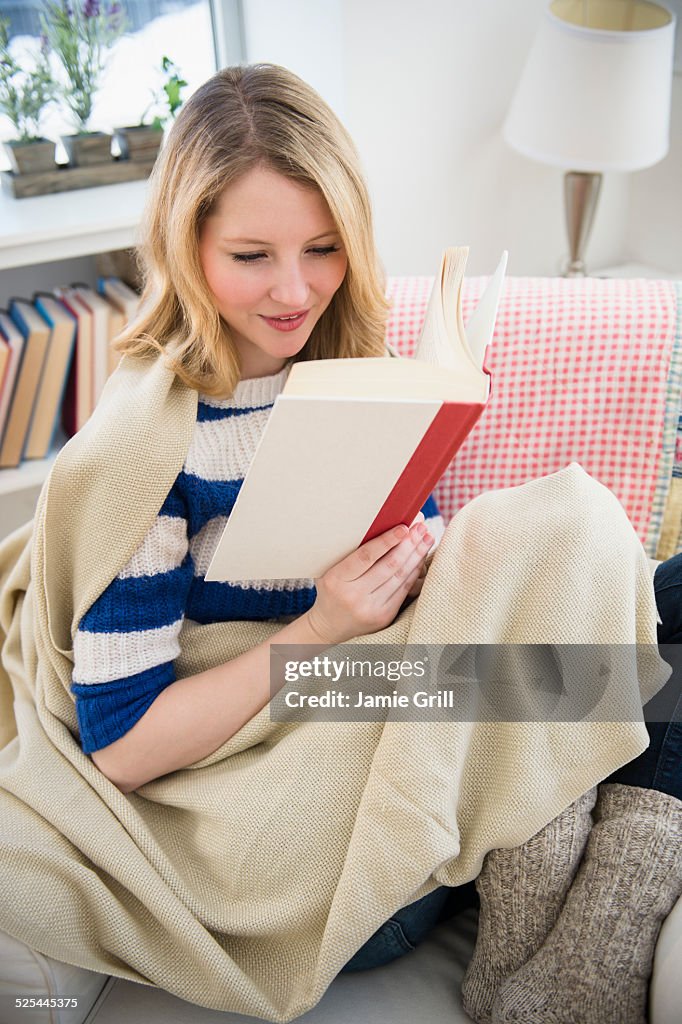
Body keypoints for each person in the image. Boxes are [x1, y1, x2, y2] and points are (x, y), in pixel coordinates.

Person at [0, 63, 678, 1024]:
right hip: (301, 836)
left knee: (645, 593)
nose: (295, 288)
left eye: (322, 248)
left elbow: (418, 557)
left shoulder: (353, 368)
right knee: (577, 553)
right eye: (251, 256)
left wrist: (415, 563)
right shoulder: (143, 452)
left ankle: (574, 941)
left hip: (380, 697)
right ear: (184, 246)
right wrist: (323, 625)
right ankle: (558, 950)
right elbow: (122, 751)